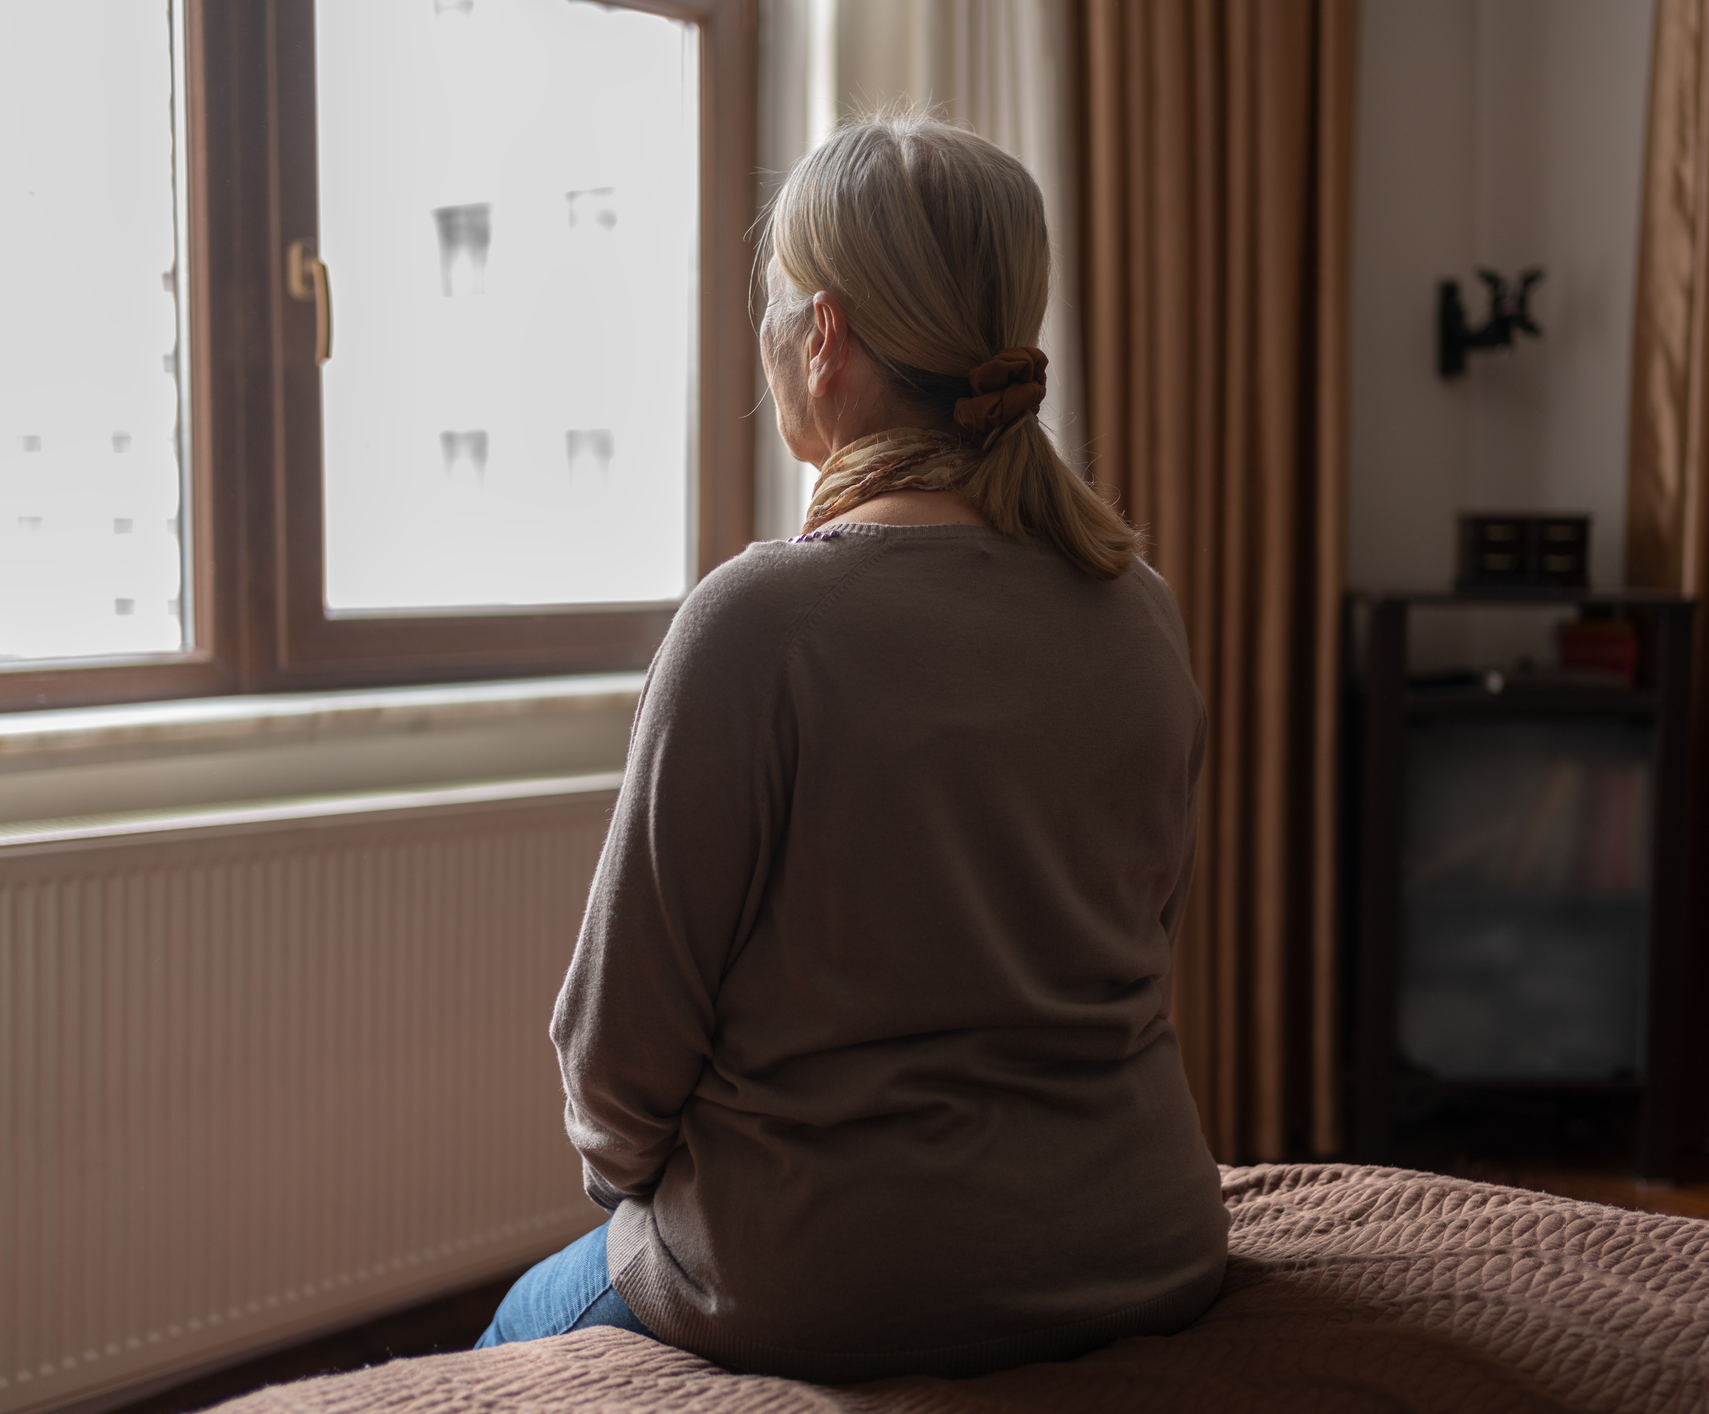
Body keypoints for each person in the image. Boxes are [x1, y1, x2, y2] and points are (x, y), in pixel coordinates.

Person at [477, 115, 1228, 1381]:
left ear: (821, 338)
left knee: (507, 1335)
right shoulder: (1135, 604)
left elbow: (615, 1060)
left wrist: (639, 1196)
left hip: (827, 1276)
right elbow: (1136, 950)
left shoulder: (757, 622)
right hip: (1140, 1240)